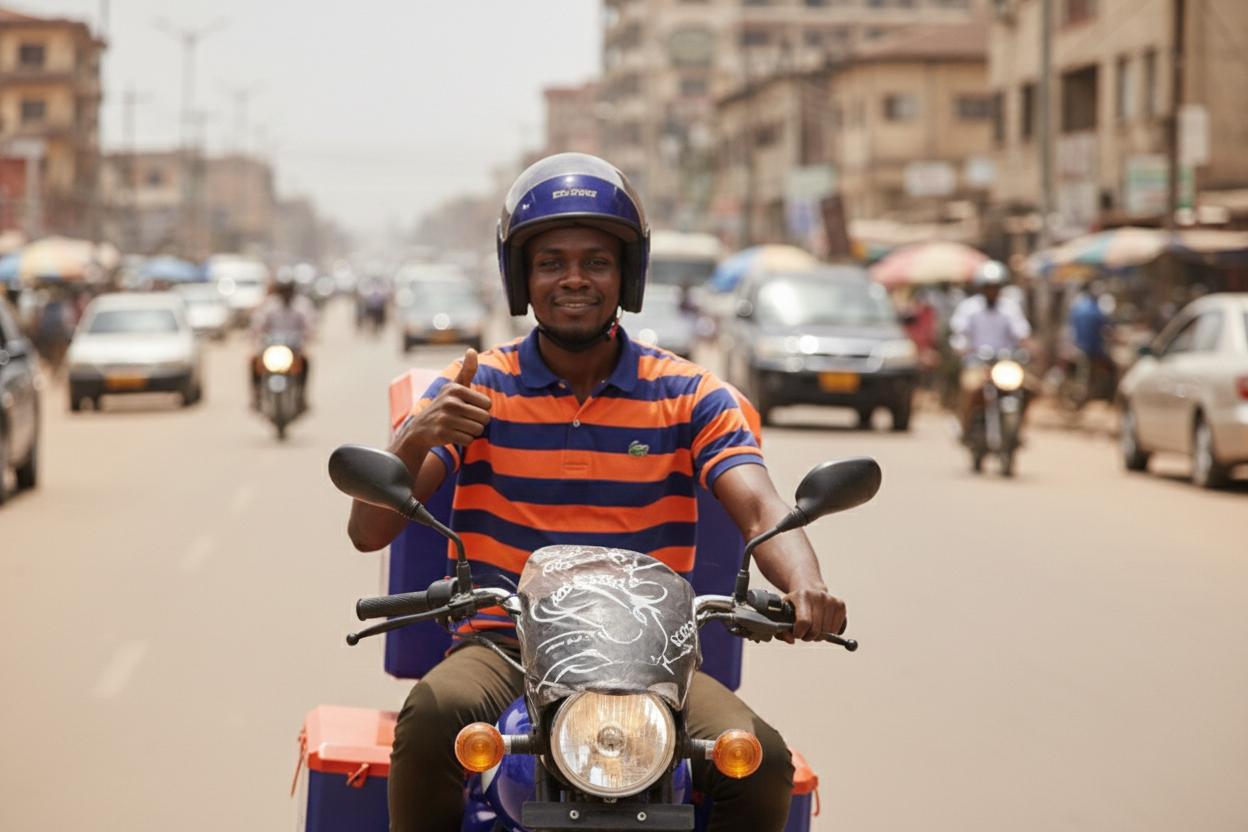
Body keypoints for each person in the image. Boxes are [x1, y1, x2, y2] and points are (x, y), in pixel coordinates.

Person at [345, 153, 846, 832]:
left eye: (596, 262)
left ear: (626, 275)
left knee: (757, 761)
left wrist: (805, 584)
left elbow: (760, 503)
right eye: (551, 262)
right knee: (433, 717)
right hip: (503, 648)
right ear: (523, 277)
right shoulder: (477, 388)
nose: (573, 279)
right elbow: (368, 531)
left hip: (652, 662)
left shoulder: (690, 393)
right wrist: (417, 434)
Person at [948, 260, 1033, 439]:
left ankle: (1018, 428)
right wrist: (961, 348)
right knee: (970, 389)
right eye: (989, 287)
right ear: (982, 287)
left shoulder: (1010, 308)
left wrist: (1030, 349)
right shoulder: (969, 308)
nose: (992, 290)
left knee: (1032, 388)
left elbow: (1021, 333)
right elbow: (958, 333)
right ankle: (963, 427)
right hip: (978, 364)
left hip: (1005, 364)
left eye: (996, 287)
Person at [249, 271, 316, 409]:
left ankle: (302, 396)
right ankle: (257, 395)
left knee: (306, 361)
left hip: (293, 348)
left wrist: (309, 336)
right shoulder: (269, 305)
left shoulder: (302, 305)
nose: (286, 293)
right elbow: (258, 323)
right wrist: (254, 335)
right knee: (253, 360)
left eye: (288, 290)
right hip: (272, 346)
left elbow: (309, 324)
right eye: (283, 290)